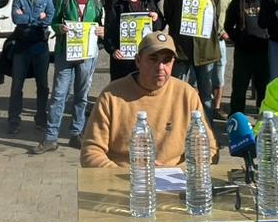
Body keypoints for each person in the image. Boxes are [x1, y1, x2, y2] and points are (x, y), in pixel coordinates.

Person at [82, 31, 219, 168]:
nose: (160, 67)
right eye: (153, 59)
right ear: (138, 61)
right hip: (124, 182)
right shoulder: (111, 96)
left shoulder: (186, 94)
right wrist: (132, 175)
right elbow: (91, 153)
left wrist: (177, 172)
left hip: (176, 181)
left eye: (166, 60)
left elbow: (209, 149)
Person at [33, 0, 104, 154]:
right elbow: (53, 21)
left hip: (87, 54)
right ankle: (50, 138)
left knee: (81, 96)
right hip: (66, 53)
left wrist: (101, 30)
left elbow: (101, 22)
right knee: (58, 95)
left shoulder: (95, 1)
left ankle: (76, 133)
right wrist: (60, 28)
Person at [162, 0, 223, 104]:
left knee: (206, 96)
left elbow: (216, 12)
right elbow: (168, 13)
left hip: (205, 50)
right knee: (175, 94)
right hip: (181, 50)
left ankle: (207, 125)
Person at [7, 0, 54, 134]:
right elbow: (16, 18)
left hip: (40, 46)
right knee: (16, 85)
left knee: (43, 85)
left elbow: (50, 17)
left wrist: (27, 17)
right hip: (21, 47)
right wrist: (36, 17)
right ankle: (13, 120)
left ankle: (41, 118)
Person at [224, 0, 270, 116]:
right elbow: (228, 25)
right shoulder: (237, 2)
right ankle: (236, 117)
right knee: (239, 87)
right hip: (243, 52)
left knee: (263, 87)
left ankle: (263, 117)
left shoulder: (265, 1)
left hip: (262, 50)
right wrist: (238, 38)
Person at [104, 0, 160, 83]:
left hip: (144, 58)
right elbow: (108, 31)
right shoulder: (117, 4)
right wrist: (113, 50)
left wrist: (156, 19)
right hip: (122, 61)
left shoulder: (149, 2)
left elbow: (159, 27)